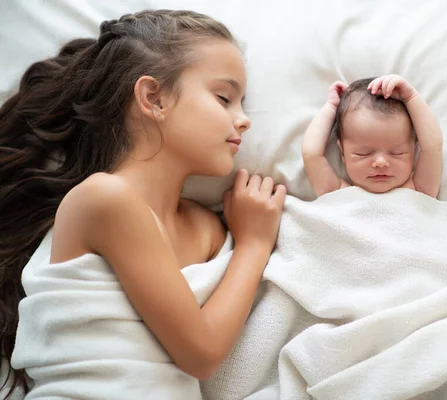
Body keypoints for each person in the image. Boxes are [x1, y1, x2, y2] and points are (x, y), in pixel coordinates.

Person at [0, 9, 286, 397]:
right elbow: (201, 354)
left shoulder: (207, 227)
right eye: (224, 98)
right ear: (154, 98)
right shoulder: (103, 198)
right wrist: (253, 246)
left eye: (243, 104)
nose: (243, 120)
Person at [302, 75, 443, 197]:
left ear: (414, 148)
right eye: (363, 153)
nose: (381, 162)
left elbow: (433, 147)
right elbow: (311, 154)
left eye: (397, 153)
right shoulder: (338, 194)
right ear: (343, 153)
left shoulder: (419, 190)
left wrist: (411, 97)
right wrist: (331, 106)